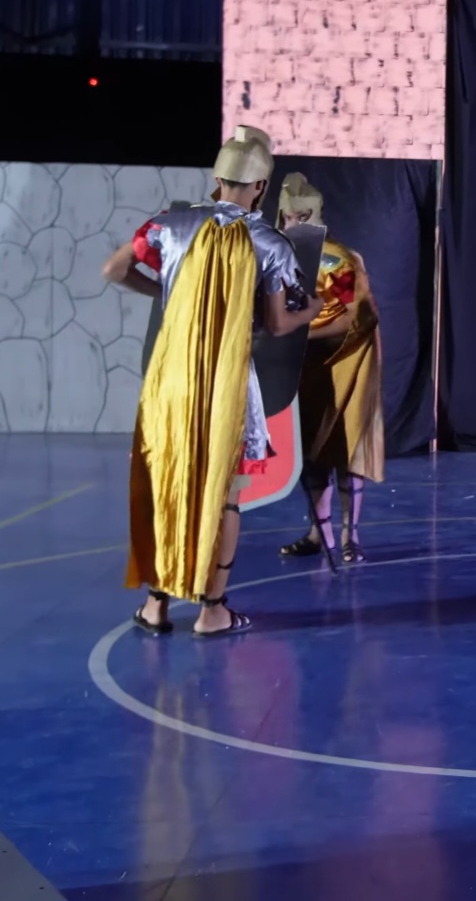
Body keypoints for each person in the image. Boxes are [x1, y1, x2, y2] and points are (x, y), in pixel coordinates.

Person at [105, 125, 319, 638]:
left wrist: (166, 293)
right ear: (261, 187)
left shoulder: (169, 225)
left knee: (170, 480)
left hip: (171, 381)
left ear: (217, 178)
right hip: (225, 383)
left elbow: (114, 269)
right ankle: (213, 610)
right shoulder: (269, 242)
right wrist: (310, 309)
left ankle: (155, 606)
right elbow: (277, 323)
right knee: (226, 495)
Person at [275, 173, 385, 565]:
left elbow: (355, 317)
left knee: (347, 445)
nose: (295, 224)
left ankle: (350, 534)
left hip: (348, 358)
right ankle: (318, 532)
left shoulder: (335, 259)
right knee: (311, 448)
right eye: (289, 217)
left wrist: (297, 333)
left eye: (303, 216)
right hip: (305, 362)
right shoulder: (277, 254)